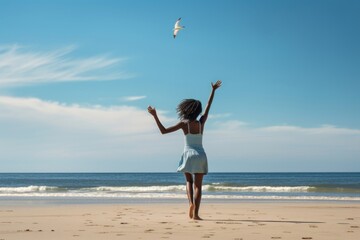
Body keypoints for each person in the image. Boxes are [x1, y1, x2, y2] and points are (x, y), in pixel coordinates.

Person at [147, 80, 222, 220]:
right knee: (198, 186)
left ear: (186, 110)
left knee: (189, 182)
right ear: (197, 111)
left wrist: (155, 115)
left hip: (188, 154)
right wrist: (213, 91)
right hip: (200, 154)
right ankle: (196, 215)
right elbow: (208, 106)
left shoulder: (184, 124)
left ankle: (190, 203)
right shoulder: (201, 122)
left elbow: (163, 131)